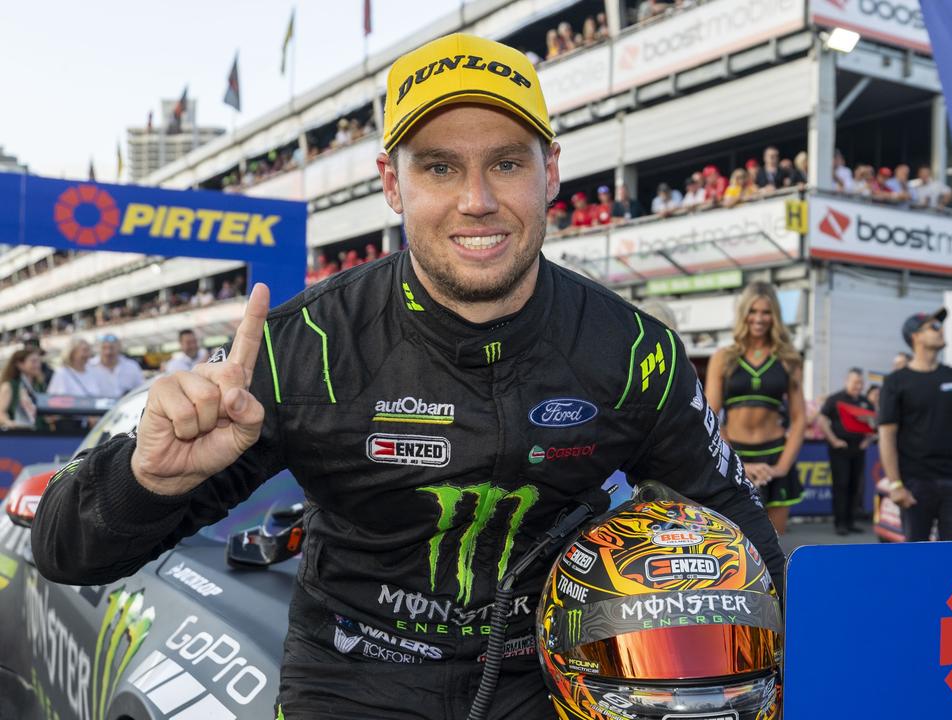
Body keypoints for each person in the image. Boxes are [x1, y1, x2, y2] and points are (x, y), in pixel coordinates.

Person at [31, 33, 784, 720]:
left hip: (548, 682)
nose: (477, 200)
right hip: (352, 679)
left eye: (507, 163)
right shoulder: (307, 343)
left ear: (551, 172)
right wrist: (147, 479)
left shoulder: (632, 351)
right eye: (439, 166)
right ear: (392, 183)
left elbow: (743, 531)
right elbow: (66, 555)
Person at [878, 308, 952, 542]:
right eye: (934, 327)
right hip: (915, 483)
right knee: (917, 557)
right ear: (915, 336)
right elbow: (887, 435)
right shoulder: (896, 382)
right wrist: (896, 484)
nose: (941, 331)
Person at [705, 281, 807, 535]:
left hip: (774, 457)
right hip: (732, 455)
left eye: (766, 312)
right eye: (753, 311)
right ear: (743, 314)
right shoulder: (724, 357)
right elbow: (708, 416)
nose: (759, 318)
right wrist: (737, 463)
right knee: (732, 543)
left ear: (775, 316)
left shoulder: (788, 359)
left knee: (773, 545)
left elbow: (799, 418)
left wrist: (781, 467)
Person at [818, 368, 875, 535]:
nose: (858, 386)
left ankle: (851, 522)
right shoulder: (835, 399)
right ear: (847, 381)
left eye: (860, 383)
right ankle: (840, 523)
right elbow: (822, 420)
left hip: (859, 449)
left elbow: (874, 424)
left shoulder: (865, 402)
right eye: (855, 382)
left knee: (855, 486)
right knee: (841, 485)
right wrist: (834, 440)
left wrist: (867, 440)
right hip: (840, 449)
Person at [0, 348, 46, 429]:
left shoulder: (39, 385)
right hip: (19, 435)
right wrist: (10, 423)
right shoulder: (10, 386)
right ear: (20, 364)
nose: (38, 365)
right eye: (33, 361)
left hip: (40, 433)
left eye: (39, 361)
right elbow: (1, 412)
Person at [89, 333, 146, 398]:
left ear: (119, 348)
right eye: (104, 348)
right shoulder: (89, 366)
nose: (108, 352)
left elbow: (141, 390)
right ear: (98, 349)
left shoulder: (131, 366)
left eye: (111, 348)